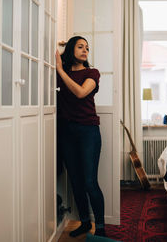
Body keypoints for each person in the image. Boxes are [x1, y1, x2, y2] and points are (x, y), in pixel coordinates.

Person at [56, 36, 106, 237]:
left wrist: (60, 70)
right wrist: (58, 50)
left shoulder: (92, 73)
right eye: (80, 46)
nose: (85, 50)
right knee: (75, 181)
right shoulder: (64, 73)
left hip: (88, 131)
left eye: (87, 47)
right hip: (67, 132)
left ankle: (101, 227)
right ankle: (85, 222)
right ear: (70, 49)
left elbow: (80, 93)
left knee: (89, 182)